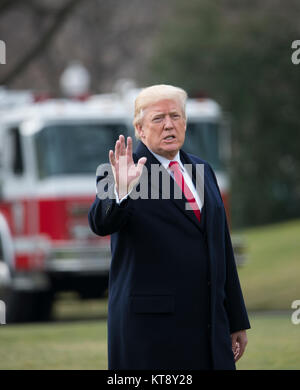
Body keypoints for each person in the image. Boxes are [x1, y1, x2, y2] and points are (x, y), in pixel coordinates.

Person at [88, 84, 250, 370]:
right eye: (158, 119)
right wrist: (122, 191)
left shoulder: (202, 170)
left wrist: (236, 318)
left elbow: (220, 246)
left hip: (209, 329)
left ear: (185, 123)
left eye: (175, 116)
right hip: (152, 333)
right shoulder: (123, 172)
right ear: (139, 129)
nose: (169, 125)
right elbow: (100, 223)